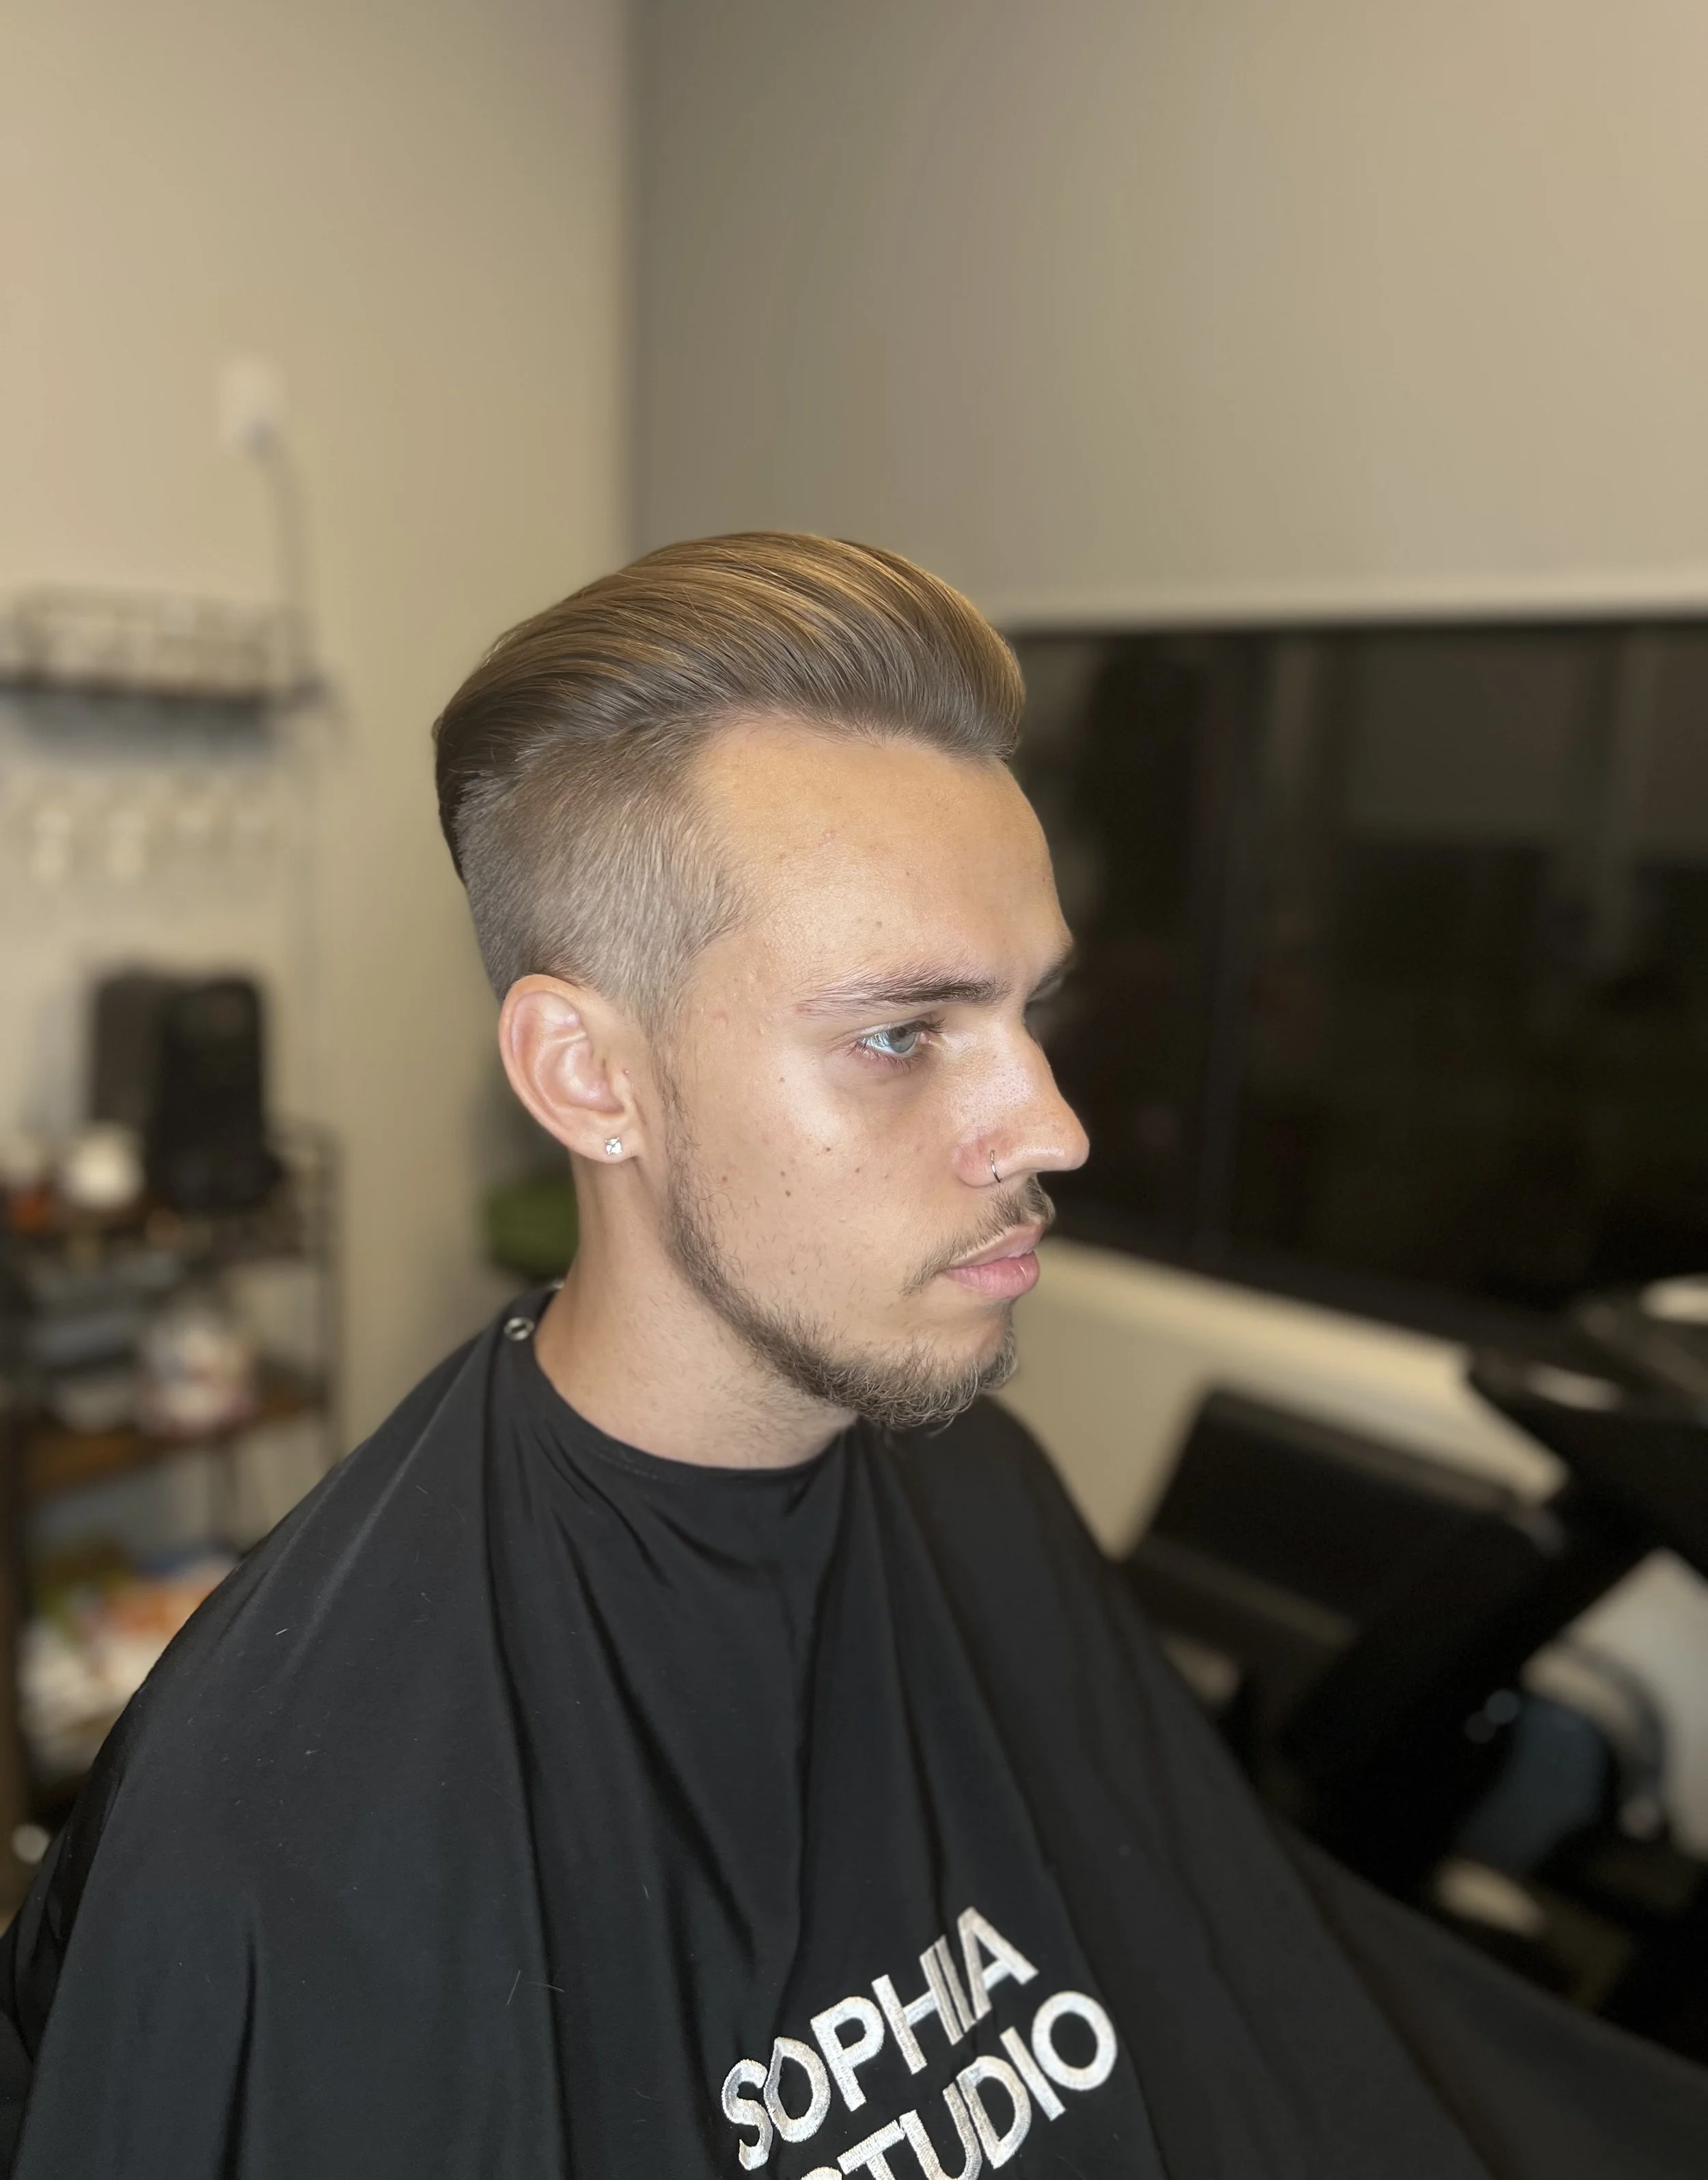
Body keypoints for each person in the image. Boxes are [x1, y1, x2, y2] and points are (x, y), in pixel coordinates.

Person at [1, 535, 1705, 2179]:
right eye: (902, 1034)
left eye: (1030, 1014)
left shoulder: (975, 1485)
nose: (1048, 1124)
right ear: (587, 1078)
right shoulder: (274, 1831)